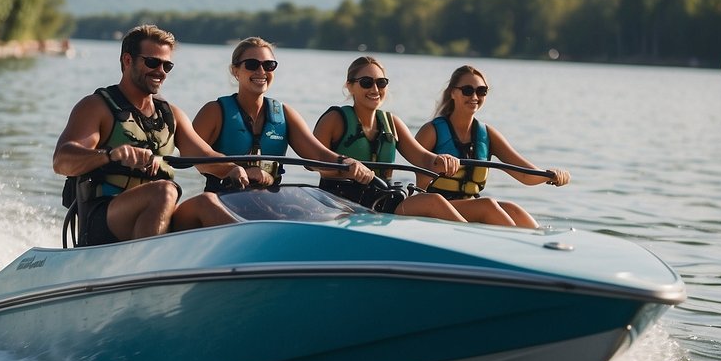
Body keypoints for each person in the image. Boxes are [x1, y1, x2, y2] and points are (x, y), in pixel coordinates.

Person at [53, 24, 248, 246]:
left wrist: (232, 168)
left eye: (168, 66)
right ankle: (144, 270)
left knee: (208, 202)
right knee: (164, 190)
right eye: (153, 62)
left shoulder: (172, 114)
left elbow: (205, 156)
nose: (161, 71)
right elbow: (61, 161)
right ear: (128, 61)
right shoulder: (95, 107)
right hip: (105, 218)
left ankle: (257, 258)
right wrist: (110, 155)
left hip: (158, 213)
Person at [191, 37, 375, 192]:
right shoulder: (214, 111)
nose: (261, 71)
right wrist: (234, 170)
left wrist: (346, 162)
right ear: (235, 71)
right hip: (224, 201)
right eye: (252, 64)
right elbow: (193, 156)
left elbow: (317, 155)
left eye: (269, 65)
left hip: (270, 204)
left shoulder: (285, 114)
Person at [313, 56, 467, 222]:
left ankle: (469, 243)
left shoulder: (392, 123)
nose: (375, 89)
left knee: (434, 200)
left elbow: (423, 158)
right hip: (338, 203)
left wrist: (442, 159)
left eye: (381, 83)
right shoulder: (335, 119)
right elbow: (311, 161)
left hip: (381, 201)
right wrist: (344, 165)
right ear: (350, 86)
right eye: (366, 82)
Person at [414, 64, 570, 228]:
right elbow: (420, 183)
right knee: (487, 205)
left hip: (470, 206)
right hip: (435, 207)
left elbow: (525, 174)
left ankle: (539, 242)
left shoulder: (487, 135)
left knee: (513, 209)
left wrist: (551, 175)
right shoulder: (431, 131)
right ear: (453, 93)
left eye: (481, 91)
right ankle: (514, 248)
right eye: (468, 90)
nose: (475, 96)